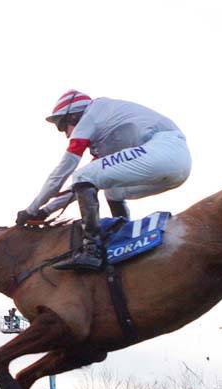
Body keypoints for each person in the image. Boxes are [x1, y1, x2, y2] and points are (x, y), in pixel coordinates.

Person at [16, 90, 192, 271]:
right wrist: (46, 211)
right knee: (108, 187)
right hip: (177, 164)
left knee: (82, 175)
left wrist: (32, 208)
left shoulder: (90, 116)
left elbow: (63, 172)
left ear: (75, 114)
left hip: (162, 151)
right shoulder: (106, 129)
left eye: (62, 126)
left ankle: (92, 250)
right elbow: (84, 186)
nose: (66, 134)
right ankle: (123, 238)